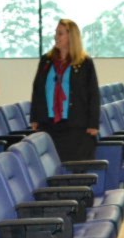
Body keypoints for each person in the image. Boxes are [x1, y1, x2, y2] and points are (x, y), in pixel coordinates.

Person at [30, 18, 101, 161]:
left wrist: (93, 123)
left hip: (75, 124)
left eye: (60, 33)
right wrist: (35, 118)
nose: (56, 37)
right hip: (49, 123)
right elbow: (37, 90)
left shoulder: (85, 62)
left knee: (74, 163)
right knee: (51, 164)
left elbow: (93, 94)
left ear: (71, 36)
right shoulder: (46, 60)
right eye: (56, 33)